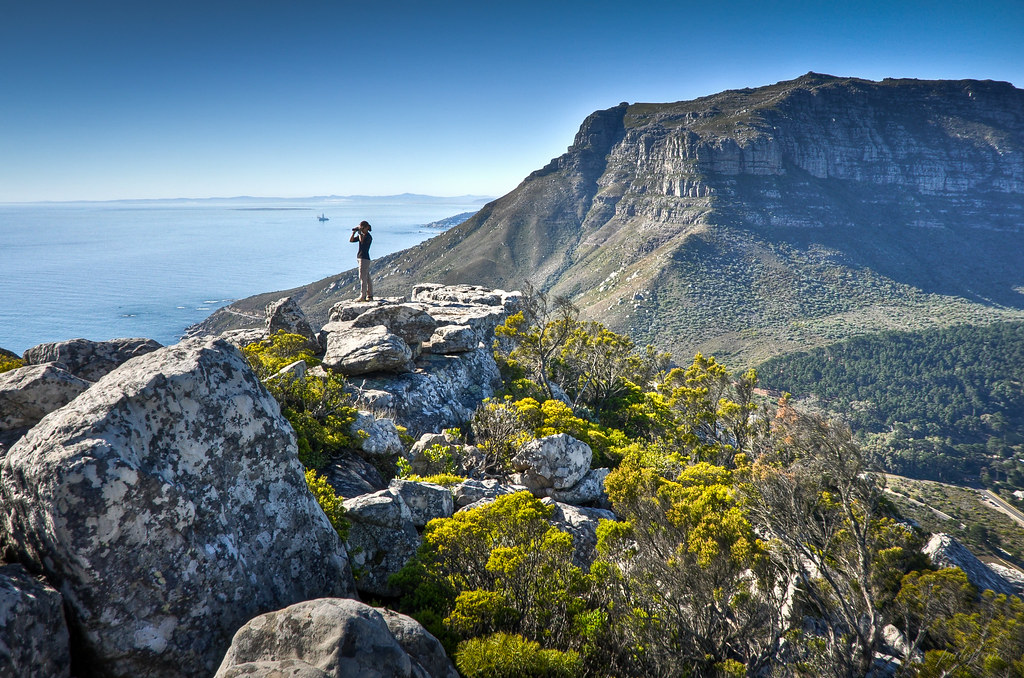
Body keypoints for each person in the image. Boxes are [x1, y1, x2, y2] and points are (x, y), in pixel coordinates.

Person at [350, 220, 373, 301]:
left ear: (365, 228)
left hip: (364, 258)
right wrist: (354, 233)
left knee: (362, 277)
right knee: (367, 277)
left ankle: (363, 296)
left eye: (362, 228)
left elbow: (362, 241)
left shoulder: (368, 237)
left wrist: (359, 233)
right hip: (361, 258)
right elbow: (351, 240)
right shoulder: (363, 235)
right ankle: (370, 295)